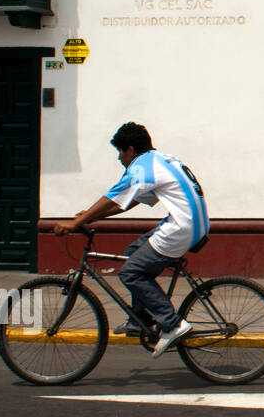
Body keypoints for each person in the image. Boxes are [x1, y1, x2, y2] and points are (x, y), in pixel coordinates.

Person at [54, 122, 208, 357]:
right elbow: (129, 201)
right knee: (132, 252)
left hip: (180, 228)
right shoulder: (159, 160)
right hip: (192, 223)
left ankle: (173, 323)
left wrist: (75, 224)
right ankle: (139, 321)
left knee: (130, 273)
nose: (119, 158)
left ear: (131, 149)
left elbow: (114, 197)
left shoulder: (141, 166)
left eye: (120, 152)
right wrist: (88, 217)